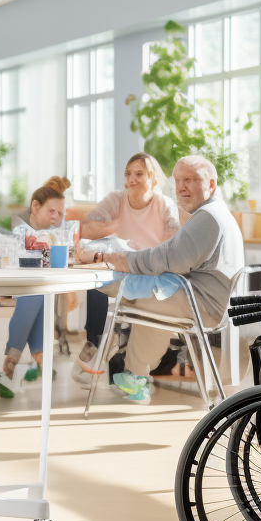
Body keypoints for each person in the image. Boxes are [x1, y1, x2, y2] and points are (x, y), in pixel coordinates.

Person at [79, 155, 243, 405]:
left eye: (190, 180)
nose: (181, 187)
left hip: (199, 305)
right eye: (178, 181)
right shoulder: (213, 213)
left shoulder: (207, 217)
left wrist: (116, 258)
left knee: (116, 291)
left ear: (211, 184)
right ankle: (134, 374)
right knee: (138, 298)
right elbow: (171, 254)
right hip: (203, 300)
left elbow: (169, 258)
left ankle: (105, 352)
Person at [75, 153, 180, 382]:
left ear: (152, 177)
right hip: (121, 265)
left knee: (110, 280)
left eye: (139, 174)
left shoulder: (164, 205)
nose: (131, 179)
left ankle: (106, 345)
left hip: (149, 269)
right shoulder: (116, 199)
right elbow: (87, 229)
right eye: (128, 174)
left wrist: (139, 256)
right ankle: (98, 342)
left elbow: (171, 243)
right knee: (97, 277)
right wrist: (116, 227)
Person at [0, 177, 71, 397]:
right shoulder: (19, 231)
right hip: (12, 285)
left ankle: (21, 363)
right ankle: (25, 362)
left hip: (34, 287)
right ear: (35, 206)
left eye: (60, 213)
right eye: (52, 211)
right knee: (37, 293)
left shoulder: (53, 234)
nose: (56, 218)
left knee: (41, 293)